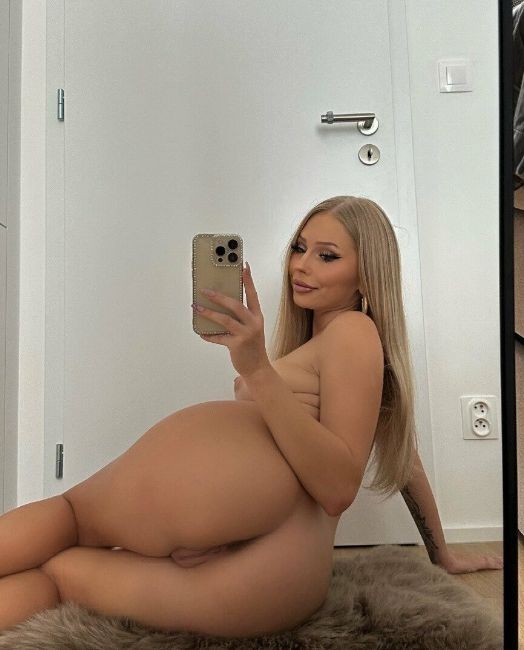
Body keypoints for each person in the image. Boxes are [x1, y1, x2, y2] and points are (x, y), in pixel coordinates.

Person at [0, 196, 502, 637]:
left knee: (64, 536)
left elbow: (337, 486)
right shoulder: (327, 346)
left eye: (327, 256)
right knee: (60, 569)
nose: (302, 266)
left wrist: (257, 369)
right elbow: (403, 456)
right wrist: (442, 553)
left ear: (368, 273)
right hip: (255, 561)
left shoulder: (353, 332)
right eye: (299, 248)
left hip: (266, 574)